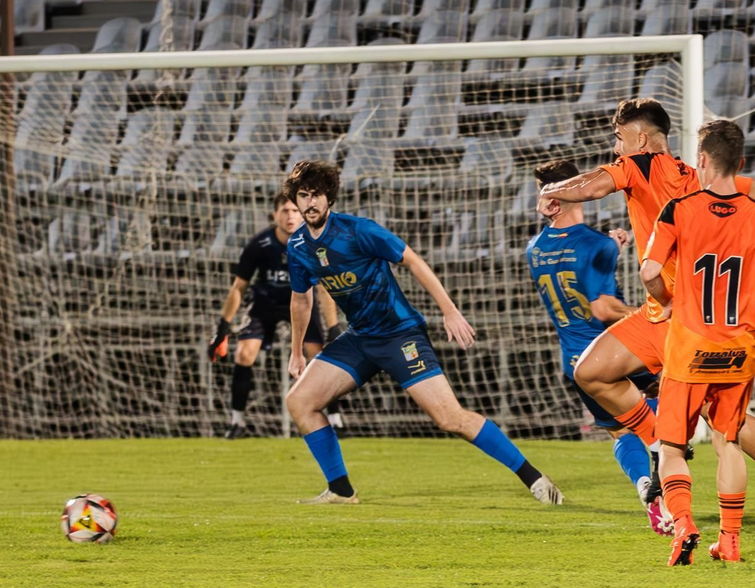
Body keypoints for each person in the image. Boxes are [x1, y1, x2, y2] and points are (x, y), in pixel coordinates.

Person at [539, 99, 755, 535]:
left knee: (720, 425)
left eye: (619, 138)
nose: (615, 147)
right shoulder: (697, 177)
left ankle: (672, 453)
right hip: (673, 314)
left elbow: (590, 186)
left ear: (640, 139)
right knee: (602, 375)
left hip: (685, 317)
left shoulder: (638, 164)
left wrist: (552, 191)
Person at [279, 160, 563, 506]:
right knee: (300, 401)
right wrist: (296, 351)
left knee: (450, 418)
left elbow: (413, 261)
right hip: (360, 338)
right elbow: (300, 300)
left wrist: (449, 311)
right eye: (303, 195)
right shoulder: (297, 247)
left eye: (317, 195)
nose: (310, 203)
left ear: (330, 198)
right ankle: (340, 490)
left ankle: (534, 478)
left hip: (400, 335)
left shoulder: (358, 231)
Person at [642, 119, 755, 565]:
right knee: (728, 441)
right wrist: (744, 301)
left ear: (703, 161)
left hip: (689, 347)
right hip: (738, 348)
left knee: (672, 445)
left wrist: (669, 301)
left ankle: (685, 524)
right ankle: (729, 541)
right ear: (741, 163)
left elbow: (649, 272)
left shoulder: (678, 209)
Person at [526, 158, 669, 533]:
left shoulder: (534, 248)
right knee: (677, 409)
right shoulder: (595, 243)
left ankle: (645, 487)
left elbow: (573, 272)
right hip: (618, 353)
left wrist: (610, 247)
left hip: (573, 358)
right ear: (576, 189)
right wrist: (648, 312)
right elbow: (603, 308)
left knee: (623, 432)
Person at [208, 190, 342, 439]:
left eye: (294, 211)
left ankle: (335, 420)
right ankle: (237, 422)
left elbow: (324, 288)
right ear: (275, 215)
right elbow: (239, 286)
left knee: (320, 358)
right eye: (285, 211)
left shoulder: (313, 246)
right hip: (265, 304)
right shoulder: (260, 244)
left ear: (302, 215)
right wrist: (224, 324)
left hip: (303, 305)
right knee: (244, 354)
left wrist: (333, 327)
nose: (290, 216)